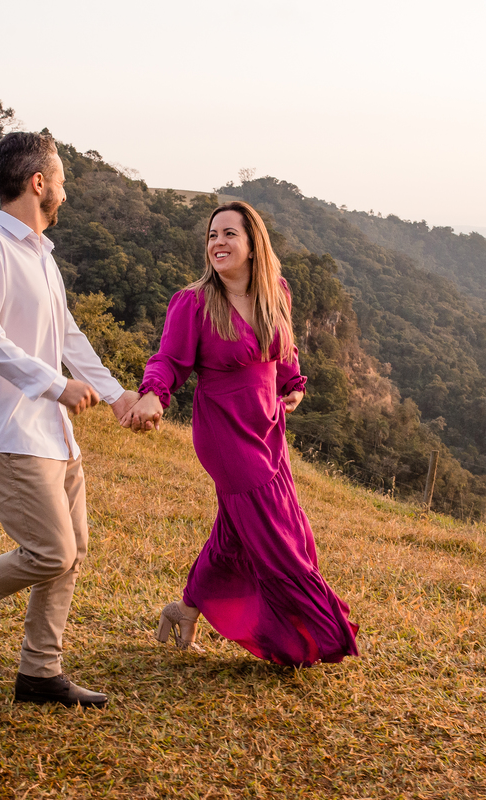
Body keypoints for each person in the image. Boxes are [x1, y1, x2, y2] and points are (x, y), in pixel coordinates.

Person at [0, 131, 138, 708]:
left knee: (73, 550)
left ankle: (40, 672)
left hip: (56, 436)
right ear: (39, 183)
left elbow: (67, 335)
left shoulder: (43, 257)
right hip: (13, 429)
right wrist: (55, 385)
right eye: (61, 178)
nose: (65, 190)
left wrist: (116, 395)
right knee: (51, 551)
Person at [123, 201, 358, 667]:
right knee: (276, 532)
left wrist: (292, 383)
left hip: (268, 424)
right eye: (212, 235)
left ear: (253, 244)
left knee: (236, 530)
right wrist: (153, 395)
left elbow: (284, 347)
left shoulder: (277, 292)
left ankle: (186, 608)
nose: (218, 243)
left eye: (229, 234)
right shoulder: (193, 302)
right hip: (224, 430)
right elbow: (169, 359)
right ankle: (313, 630)